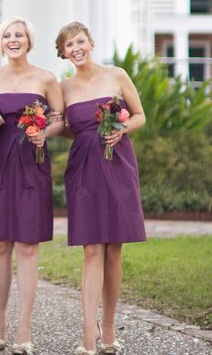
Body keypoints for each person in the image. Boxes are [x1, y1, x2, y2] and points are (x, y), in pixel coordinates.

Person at [57, 21, 146, 355]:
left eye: (80, 41)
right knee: (91, 249)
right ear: (63, 52)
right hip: (83, 168)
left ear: (91, 42)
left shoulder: (117, 75)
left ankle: (108, 328)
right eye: (69, 45)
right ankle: (88, 335)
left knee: (113, 249)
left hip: (118, 164)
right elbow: (64, 126)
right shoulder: (63, 87)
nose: (76, 48)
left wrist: (121, 129)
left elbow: (139, 116)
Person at [0, 16, 64, 355]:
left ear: (29, 41)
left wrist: (44, 133)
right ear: (1, 42)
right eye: (7, 35)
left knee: (29, 246)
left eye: (19, 35)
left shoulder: (46, 78)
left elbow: (60, 118)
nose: (13, 40)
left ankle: (24, 329)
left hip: (32, 164)